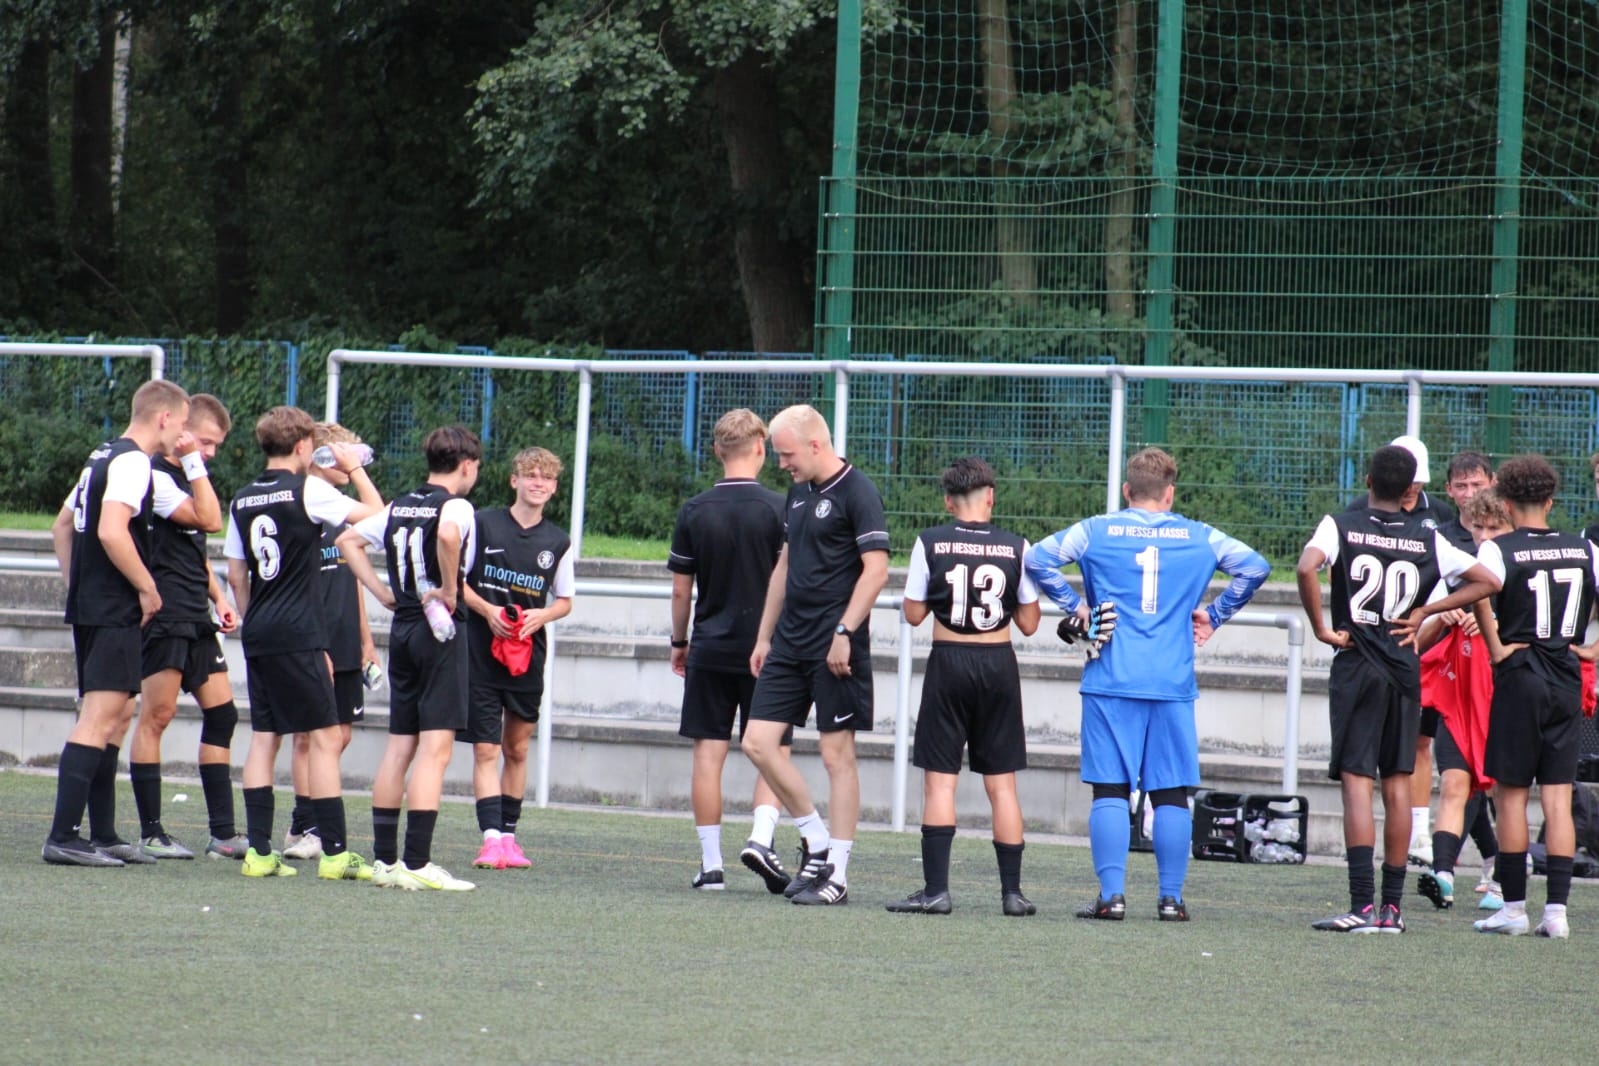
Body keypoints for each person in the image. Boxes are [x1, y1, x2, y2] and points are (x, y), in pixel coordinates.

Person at [1026, 446, 1269, 922]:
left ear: (1126, 490)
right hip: (1171, 680)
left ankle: (1112, 897)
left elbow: (1037, 559)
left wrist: (1076, 607)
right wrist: (1215, 615)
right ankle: (1171, 900)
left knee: (1110, 790)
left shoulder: (1096, 529)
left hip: (1111, 678)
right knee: (1171, 792)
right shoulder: (1200, 536)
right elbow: (1255, 567)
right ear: (1170, 494)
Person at [1299, 444, 1500, 933]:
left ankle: (1361, 905)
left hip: (1357, 664)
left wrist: (1322, 628)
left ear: (1368, 480)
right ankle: (1392, 909)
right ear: (1412, 488)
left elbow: (1306, 567)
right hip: (1404, 668)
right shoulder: (1430, 537)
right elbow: (1489, 581)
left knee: (1355, 782)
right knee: (1396, 783)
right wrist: (1427, 610)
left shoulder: (1339, 524)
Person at [740, 404, 890, 906]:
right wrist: (764, 636)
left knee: (835, 755)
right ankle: (817, 840)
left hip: (835, 645)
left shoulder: (858, 491)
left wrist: (845, 630)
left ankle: (837, 874)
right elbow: (785, 565)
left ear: (815, 445)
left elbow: (875, 571)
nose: (781, 464)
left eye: (786, 454)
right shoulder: (798, 492)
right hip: (789, 642)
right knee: (757, 742)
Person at [225, 406, 383, 881]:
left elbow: (236, 573)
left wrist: (255, 617)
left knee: (265, 737)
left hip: (260, 630)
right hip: (300, 631)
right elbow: (377, 517)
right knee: (326, 736)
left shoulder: (242, 498)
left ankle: (259, 853)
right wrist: (354, 468)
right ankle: (334, 854)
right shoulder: (307, 489)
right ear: (301, 447)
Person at [43, 379, 190, 866]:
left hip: (96, 605)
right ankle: (63, 836)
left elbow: (61, 526)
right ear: (164, 417)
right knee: (100, 716)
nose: (182, 435)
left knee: (119, 714)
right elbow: (110, 530)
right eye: (182, 423)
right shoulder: (133, 462)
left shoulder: (101, 456)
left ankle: (103, 834)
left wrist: (78, 585)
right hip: (112, 608)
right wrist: (147, 586)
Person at [888, 457, 1042, 917]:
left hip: (949, 662)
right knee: (1003, 784)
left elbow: (913, 613)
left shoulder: (930, 541)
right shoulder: (1017, 546)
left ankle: (936, 891)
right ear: (990, 496)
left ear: (948, 501)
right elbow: (1030, 623)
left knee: (940, 781)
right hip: (998, 664)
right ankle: (1012, 894)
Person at [339, 425, 482, 891]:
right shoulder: (455, 505)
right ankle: (417, 863)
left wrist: (381, 591)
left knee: (400, 745)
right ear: (467, 466)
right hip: (438, 629)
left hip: (402, 627)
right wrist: (449, 589)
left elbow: (347, 542)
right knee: (435, 750)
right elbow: (448, 534)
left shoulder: (399, 505)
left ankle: (385, 861)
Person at [1469, 456, 1599, 939]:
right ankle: (1557, 914)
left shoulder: (1497, 549)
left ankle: (1514, 908)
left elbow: (1476, 593)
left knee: (1511, 795)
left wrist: (1495, 646)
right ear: (1550, 500)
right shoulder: (1585, 547)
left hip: (1520, 675)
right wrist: (1593, 649)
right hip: (1565, 677)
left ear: (1505, 502)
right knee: (1558, 797)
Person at [664, 411, 792, 891]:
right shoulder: (781, 508)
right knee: (773, 749)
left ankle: (712, 865)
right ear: (760, 447)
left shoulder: (695, 510)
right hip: (769, 651)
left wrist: (679, 642)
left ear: (717, 450)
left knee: (708, 754)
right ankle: (760, 838)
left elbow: (681, 591)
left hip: (711, 646)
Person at [129, 393, 251, 860]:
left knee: (223, 714)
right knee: (156, 717)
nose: (211, 453)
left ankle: (223, 834)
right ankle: (151, 832)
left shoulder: (188, 475)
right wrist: (196, 464)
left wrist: (218, 597)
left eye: (216, 445)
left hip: (195, 615)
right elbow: (211, 520)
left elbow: (194, 547)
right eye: (205, 442)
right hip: (165, 615)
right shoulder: (156, 475)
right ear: (181, 432)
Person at [459, 446, 574, 872]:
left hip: (526, 658)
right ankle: (490, 840)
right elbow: (456, 582)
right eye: (531, 475)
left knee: (517, 748)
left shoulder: (557, 542)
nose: (538, 483)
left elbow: (564, 600)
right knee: (486, 748)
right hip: (480, 655)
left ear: (554, 487)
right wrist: (488, 611)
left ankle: (509, 837)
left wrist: (542, 615)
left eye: (547, 477)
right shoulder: (482, 524)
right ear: (515, 480)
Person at [282, 422, 385, 860]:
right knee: (309, 737)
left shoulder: (342, 512)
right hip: (311, 636)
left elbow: (352, 579)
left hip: (344, 637)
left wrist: (366, 641)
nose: (351, 463)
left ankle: (306, 820)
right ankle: (307, 826)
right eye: (344, 456)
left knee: (339, 736)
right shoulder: (303, 505)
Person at [1415, 487, 1511, 913]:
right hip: (1458, 699)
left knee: (1503, 794)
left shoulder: (1521, 573)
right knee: (1455, 783)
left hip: (1506, 699)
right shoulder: (1456, 574)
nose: (1485, 537)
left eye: (1495, 528)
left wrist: (1496, 627)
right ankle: (1444, 876)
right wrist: (1442, 614)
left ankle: (1503, 876)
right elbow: (1419, 641)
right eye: (1478, 528)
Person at [1407, 450, 1496, 867]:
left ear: (1493, 483)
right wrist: (1443, 612)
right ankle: (1422, 838)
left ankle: (1490, 860)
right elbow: (1419, 610)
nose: (1469, 492)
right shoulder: (1436, 539)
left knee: (1474, 772)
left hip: (1489, 673)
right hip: (1440, 667)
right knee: (1436, 754)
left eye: (1477, 484)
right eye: (1461, 485)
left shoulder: (1510, 541)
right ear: (1448, 490)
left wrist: (1490, 620)